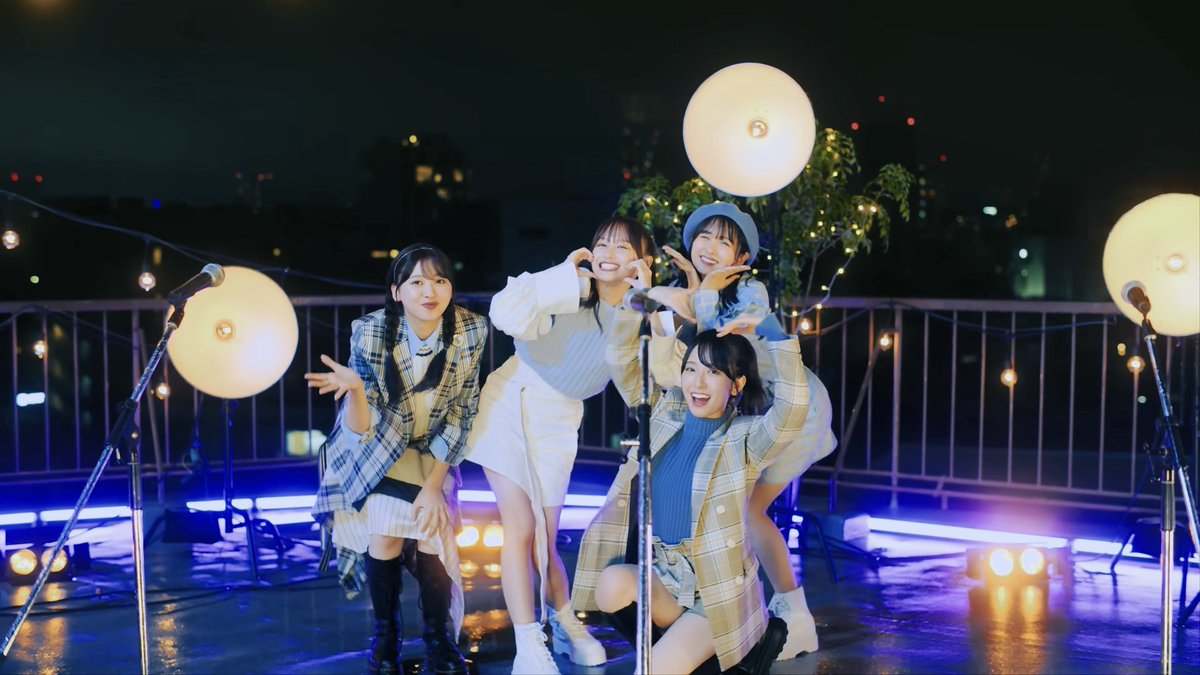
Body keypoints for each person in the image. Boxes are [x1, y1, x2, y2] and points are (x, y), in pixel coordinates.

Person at [571, 306, 811, 674]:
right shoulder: (665, 415)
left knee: (649, 671)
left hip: (715, 597)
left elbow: (793, 410)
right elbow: (622, 364)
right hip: (666, 577)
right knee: (610, 585)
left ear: (736, 385)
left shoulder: (745, 439)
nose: (698, 383)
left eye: (713, 373)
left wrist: (773, 330)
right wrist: (641, 308)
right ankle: (685, 653)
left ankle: (727, 645)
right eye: (691, 369)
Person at [464, 216, 656, 674]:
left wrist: (644, 303)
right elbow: (504, 314)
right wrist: (558, 277)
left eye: (623, 247)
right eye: (602, 243)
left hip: (560, 419)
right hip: (511, 399)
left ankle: (563, 619)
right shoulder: (571, 288)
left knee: (545, 539)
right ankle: (528, 644)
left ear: (642, 262)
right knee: (521, 526)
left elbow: (642, 380)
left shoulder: (640, 314)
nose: (608, 253)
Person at [655, 201, 837, 659]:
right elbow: (674, 348)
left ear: (741, 258)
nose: (710, 247)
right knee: (737, 509)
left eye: (724, 242)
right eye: (704, 236)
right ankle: (750, 613)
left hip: (789, 407)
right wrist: (682, 295)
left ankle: (794, 618)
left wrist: (703, 295)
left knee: (748, 510)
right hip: (750, 415)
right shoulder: (687, 292)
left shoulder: (749, 291)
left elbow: (720, 343)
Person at [306, 244, 488, 675]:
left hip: (434, 448)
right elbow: (361, 430)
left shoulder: (471, 330)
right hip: (376, 448)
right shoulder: (371, 333)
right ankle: (385, 639)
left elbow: (462, 412)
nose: (430, 291)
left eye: (439, 280)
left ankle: (438, 640)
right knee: (385, 532)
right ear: (396, 291)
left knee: (432, 530)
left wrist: (434, 486)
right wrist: (355, 390)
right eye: (417, 282)